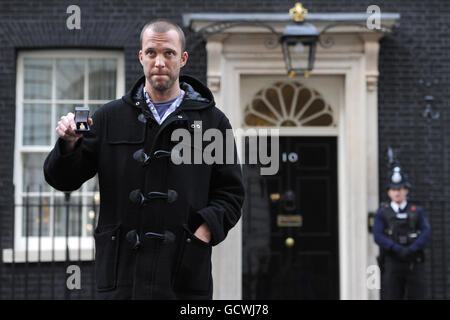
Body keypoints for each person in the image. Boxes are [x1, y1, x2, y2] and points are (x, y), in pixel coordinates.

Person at [43, 19, 245, 300]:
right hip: (122, 276)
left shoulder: (213, 122)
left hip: (184, 276)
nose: (159, 62)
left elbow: (231, 194)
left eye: (169, 53)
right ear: (141, 57)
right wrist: (68, 144)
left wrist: (202, 233)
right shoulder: (107, 118)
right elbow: (63, 180)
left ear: (183, 58)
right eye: (151, 53)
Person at [373, 166, 431, 299]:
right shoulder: (382, 213)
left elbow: (426, 232)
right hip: (392, 262)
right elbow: (378, 236)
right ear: (389, 192)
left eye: (399, 189)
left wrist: (411, 249)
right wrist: (396, 248)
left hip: (413, 261)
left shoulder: (416, 211)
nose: (397, 193)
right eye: (393, 189)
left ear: (406, 190)